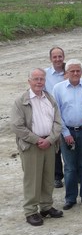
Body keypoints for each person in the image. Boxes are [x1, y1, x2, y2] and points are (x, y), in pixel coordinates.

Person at [10, 68, 63, 226]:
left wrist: (51, 139)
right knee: (32, 179)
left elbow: (57, 122)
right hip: (32, 146)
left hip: (49, 144)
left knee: (48, 178)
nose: (39, 82)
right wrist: (37, 140)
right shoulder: (21, 101)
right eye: (36, 79)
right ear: (29, 81)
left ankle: (46, 207)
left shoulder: (49, 98)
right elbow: (16, 126)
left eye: (42, 79)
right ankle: (31, 211)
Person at [52, 59, 82, 210]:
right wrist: (65, 133)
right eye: (71, 71)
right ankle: (70, 198)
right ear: (66, 73)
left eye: (78, 70)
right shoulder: (58, 89)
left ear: (81, 71)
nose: (75, 73)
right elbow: (56, 113)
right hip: (67, 132)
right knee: (70, 167)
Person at [44, 46, 66, 189]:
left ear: (63, 57)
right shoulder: (45, 74)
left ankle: (73, 174)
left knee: (71, 146)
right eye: (55, 57)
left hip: (68, 112)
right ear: (51, 58)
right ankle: (57, 176)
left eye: (60, 56)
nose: (57, 59)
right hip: (52, 114)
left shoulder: (70, 71)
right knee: (56, 146)